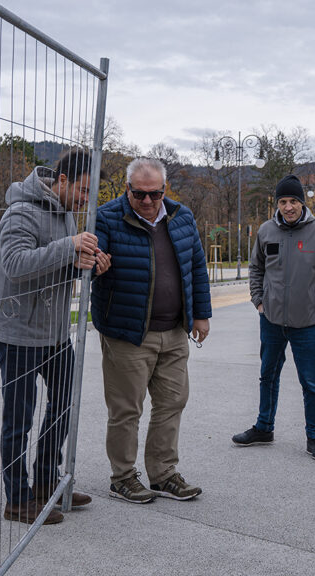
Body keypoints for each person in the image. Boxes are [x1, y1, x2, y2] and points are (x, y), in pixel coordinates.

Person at [0, 149, 109, 525]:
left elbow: (52, 268)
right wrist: (69, 248)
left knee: (64, 404)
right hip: (19, 335)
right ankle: (17, 499)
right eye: (83, 190)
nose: (87, 199)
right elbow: (15, 265)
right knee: (19, 418)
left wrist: (84, 267)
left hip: (55, 335)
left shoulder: (67, 213)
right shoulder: (20, 212)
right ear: (62, 181)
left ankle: (45, 483)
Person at [91, 157, 211, 504]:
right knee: (126, 409)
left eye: (154, 194)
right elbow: (88, 261)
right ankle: (123, 477)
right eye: (139, 194)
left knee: (173, 402)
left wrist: (201, 314)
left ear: (164, 190)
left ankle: (163, 473)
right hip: (127, 333)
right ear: (126, 189)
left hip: (174, 331)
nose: (146, 201)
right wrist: (95, 264)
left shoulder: (182, 216)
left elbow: (196, 267)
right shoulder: (106, 217)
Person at [231, 175, 315, 461]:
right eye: (283, 201)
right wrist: (258, 301)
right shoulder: (266, 231)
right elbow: (256, 268)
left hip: (305, 323)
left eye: (293, 201)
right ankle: (264, 427)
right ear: (278, 204)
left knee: (310, 382)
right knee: (267, 376)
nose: (288, 207)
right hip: (271, 321)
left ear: (302, 202)